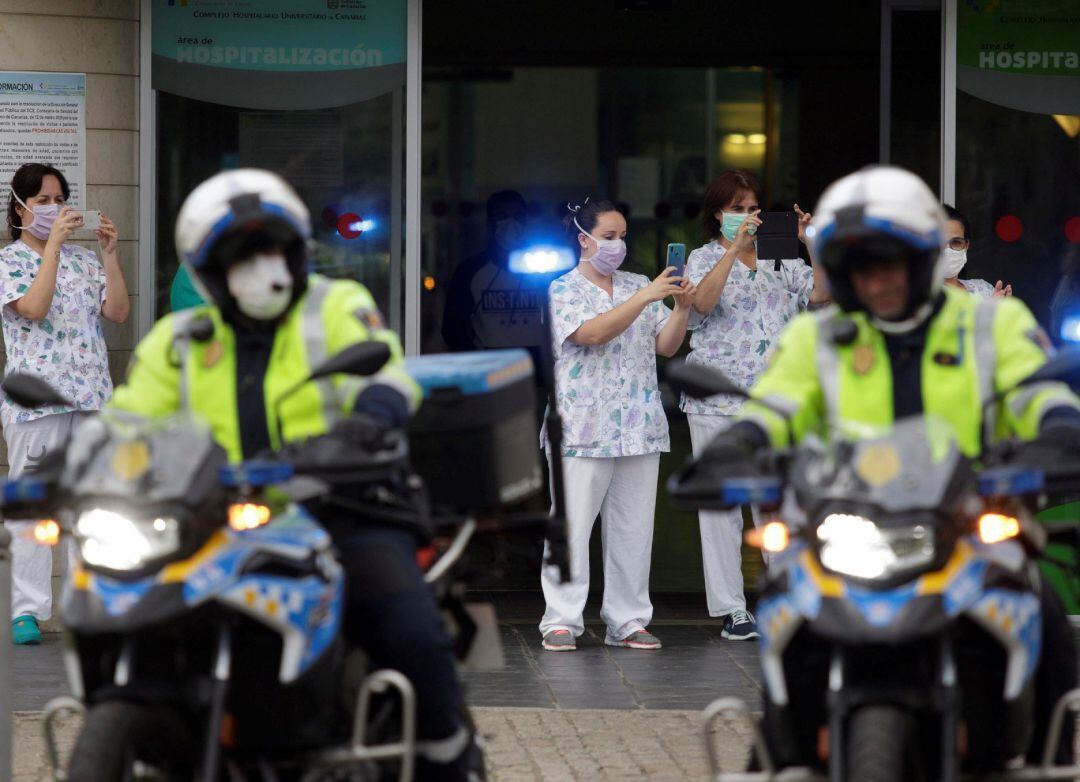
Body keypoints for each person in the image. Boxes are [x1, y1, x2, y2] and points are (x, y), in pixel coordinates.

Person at [107, 169, 477, 780]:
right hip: (213, 521)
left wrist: (368, 420)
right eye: (242, 255)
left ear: (299, 251)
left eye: (273, 248)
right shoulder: (182, 339)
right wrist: (84, 460)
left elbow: (390, 375)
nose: (262, 265)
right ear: (210, 271)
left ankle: (449, 757)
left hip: (342, 510)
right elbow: (127, 420)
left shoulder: (336, 306)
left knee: (409, 632)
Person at [706, 165, 1078, 766]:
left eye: (891, 257)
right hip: (848, 524)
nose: (876, 275)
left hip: (972, 524)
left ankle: (1051, 763)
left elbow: (1039, 392)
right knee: (789, 624)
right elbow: (774, 407)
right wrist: (738, 445)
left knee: (1046, 623)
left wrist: (1058, 432)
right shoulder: (818, 338)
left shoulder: (992, 323)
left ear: (924, 255)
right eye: (859, 260)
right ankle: (777, 765)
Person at [539, 198, 695, 652]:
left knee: (632, 528)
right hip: (581, 429)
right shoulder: (561, 289)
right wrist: (647, 297)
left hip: (638, 424)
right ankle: (561, 619)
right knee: (571, 526)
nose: (618, 245)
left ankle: (627, 619)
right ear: (582, 240)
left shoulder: (638, 283)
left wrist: (681, 308)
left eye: (622, 236)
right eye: (608, 236)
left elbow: (666, 346)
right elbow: (590, 335)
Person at [680, 169, 830, 640]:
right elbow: (700, 306)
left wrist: (810, 244)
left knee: (778, 505)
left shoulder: (782, 258)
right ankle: (732, 609)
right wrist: (731, 250)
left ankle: (783, 598)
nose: (747, 217)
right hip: (715, 397)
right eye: (736, 209)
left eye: (752, 208)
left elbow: (821, 297)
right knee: (721, 510)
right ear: (717, 214)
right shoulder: (703, 257)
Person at [1, 162, 129, 645]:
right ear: (20, 208)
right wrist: (51, 247)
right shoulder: (9, 261)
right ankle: (26, 611)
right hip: (35, 405)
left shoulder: (85, 261)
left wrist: (110, 256)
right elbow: (32, 309)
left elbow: (117, 312)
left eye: (60, 199)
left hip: (91, 399)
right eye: (42, 202)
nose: (54, 209)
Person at [441, 190, 544, 352]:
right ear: (490, 222)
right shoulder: (470, 271)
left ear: (525, 221)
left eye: (517, 215)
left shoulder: (546, 268)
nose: (511, 222)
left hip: (539, 370)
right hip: (490, 368)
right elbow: (453, 330)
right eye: (502, 215)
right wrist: (478, 359)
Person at [941, 204, 1011, 298]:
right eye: (940, 242)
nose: (948, 249)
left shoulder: (983, 289)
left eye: (956, 242)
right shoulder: (920, 298)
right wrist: (990, 309)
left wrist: (1003, 308)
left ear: (966, 246)